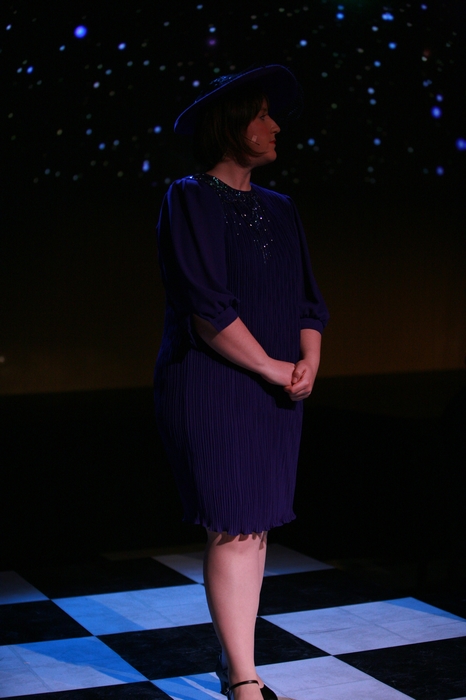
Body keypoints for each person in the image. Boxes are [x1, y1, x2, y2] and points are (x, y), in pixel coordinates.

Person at [154, 65, 329, 700]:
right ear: (230, 126)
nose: (275, 125)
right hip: (215, 384)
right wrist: (272, 366)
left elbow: (309, 301)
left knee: (254, 529)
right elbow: (206, 307)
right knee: (232, 523)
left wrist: (307, 360)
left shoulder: (281, 208)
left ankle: (236, 664)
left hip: (276, 390)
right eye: (260, 115)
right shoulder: (190, 197)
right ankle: (245, 681)